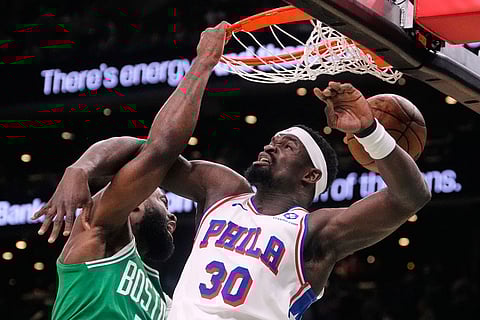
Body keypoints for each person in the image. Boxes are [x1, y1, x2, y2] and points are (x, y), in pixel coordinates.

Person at [36, 81, 431, 318]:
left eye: (287, 145)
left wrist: (369, 130)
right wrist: (80, 169)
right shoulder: (224, 191)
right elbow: (150, 151)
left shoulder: (316, 232)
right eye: (272, 139)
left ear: (310, 175)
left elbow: (409, 197)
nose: (270, 145)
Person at [32, 22, 229, 319]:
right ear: (133, 206)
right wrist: (203, 63)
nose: (172, 214)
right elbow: (157, 150)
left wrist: (82, 168)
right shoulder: (96, 232)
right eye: (162, 198)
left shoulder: (164, 303)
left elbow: (151, 151)